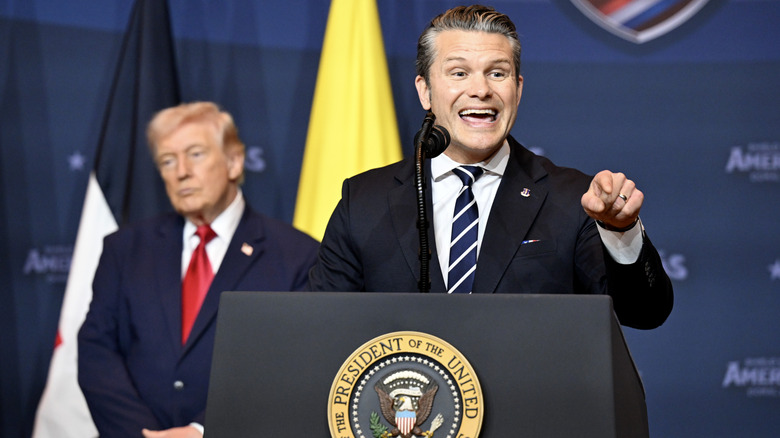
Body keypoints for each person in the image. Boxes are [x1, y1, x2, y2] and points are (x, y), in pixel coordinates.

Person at [308, 5, 673, 329]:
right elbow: (321, 327)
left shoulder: (571, 199)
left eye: (497, 74)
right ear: (425, 91)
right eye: (459, 73)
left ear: (518, 88)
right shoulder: (364, 201)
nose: (481, 90)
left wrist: (620, 231)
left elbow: (643, 313)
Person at [78, 102, 320, 437]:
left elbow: (291, 366)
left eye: (195, 154)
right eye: (167, 160)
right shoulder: (125, 248)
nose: (181, 171)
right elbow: (96, 352)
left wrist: (201, 430)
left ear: (234, 162)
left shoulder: (297, 255)